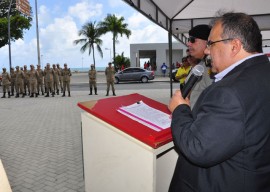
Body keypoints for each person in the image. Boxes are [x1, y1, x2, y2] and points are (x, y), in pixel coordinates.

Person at [168, 12, 270, 192]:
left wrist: (180, 109)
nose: (207, 51)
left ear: (234, 46)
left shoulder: (230, 92)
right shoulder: (262, 72)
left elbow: (198, 148)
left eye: (211, 44)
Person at [185, 24, 213, 109]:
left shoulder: (213, 67)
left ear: (207, 42)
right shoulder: (201, 65)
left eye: (192, 40)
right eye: (188, 40)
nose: (188, 43)